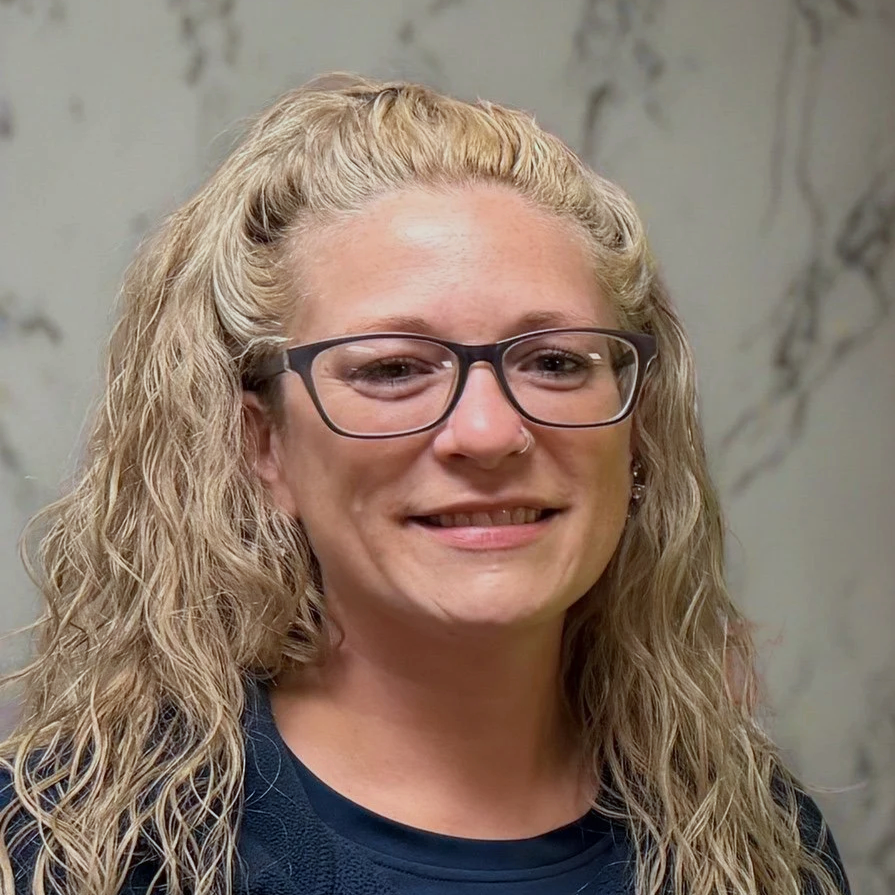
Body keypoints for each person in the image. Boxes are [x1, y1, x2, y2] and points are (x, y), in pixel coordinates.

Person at [0, 74, 850, 895]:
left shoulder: (763, 842)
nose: (487, 432)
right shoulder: (82, 853)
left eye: (555, 361)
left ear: (636, 430)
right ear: (265, 448)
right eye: (393, 369)